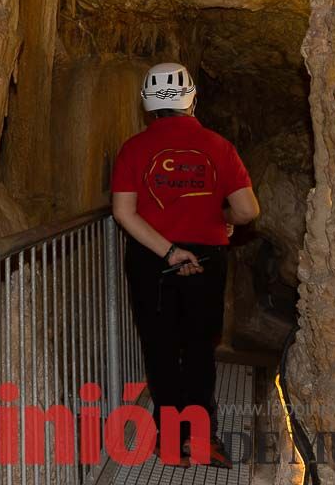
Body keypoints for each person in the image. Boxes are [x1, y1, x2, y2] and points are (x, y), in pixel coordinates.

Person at [110, 62, 259, 468]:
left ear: (148, 104)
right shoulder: (219, 147)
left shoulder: (133, 149)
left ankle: (171, 442)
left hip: (151, 259)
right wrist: (224, 215)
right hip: (208, 255)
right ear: (191, 99)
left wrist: (169, 253)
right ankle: (203, 439)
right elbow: (248, 209)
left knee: (160, 349)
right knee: (198, 349)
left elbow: (124, 213)